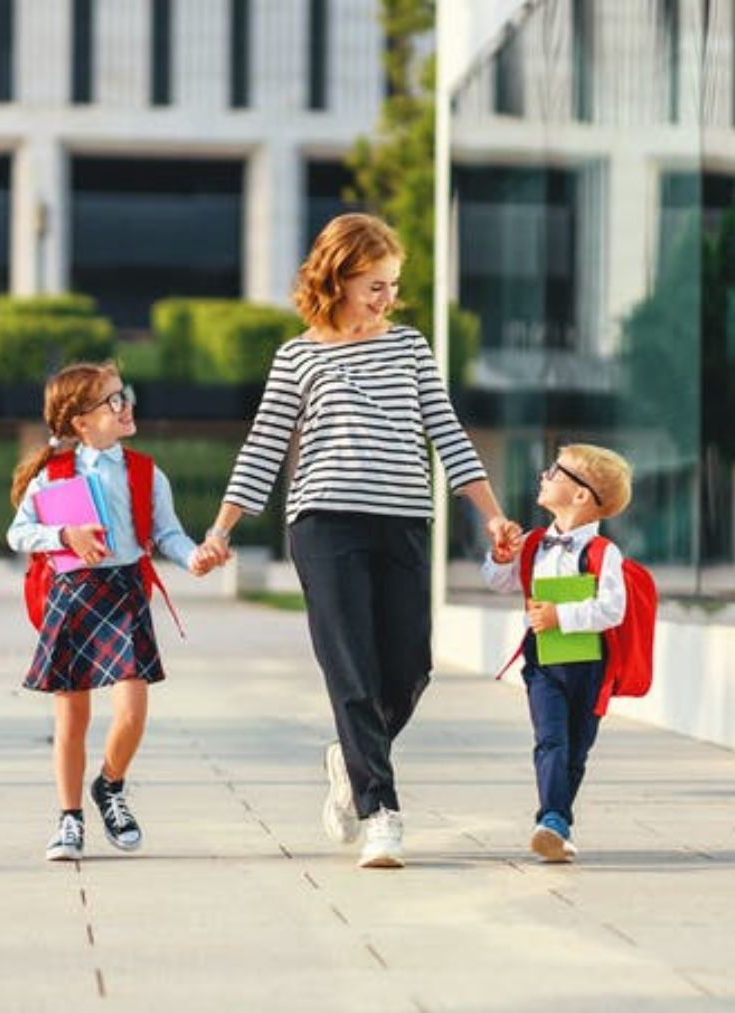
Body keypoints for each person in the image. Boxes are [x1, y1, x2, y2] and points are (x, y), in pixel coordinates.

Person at [195, 213, 519, 869]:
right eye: (375, 285)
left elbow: (448, 433)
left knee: (409, 669)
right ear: (339, 279)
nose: (387, 298)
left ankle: (348, 758)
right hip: (324, 523)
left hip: (402, 520)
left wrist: (492, 515)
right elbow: (262, 448)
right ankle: (381, 812)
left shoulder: (410, 347)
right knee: (351, 670)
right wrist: (221, 529)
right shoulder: (298, 356)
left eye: (393, 285)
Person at [6, 362, 215, 862]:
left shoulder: (145, 471)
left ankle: (111, 785)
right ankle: (69, 819)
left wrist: (194, 557)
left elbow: (166, 533)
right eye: (114, 401)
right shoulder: (53, 476)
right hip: (72, 596)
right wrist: (64, 536)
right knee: (71, 719)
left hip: (125, 595)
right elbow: (17, 534)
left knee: (132, 713)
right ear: (80, 421)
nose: (127, 407)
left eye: (126, 396)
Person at [483, 443, 633, 863]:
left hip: (590, 667)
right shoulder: (532, 544)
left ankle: (557, 823)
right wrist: (500, 557)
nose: (543, 475)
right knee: (550, 739)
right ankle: (551, 819)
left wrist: (560, 616)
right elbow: (499, 581)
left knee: (577, 748)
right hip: (543, 663)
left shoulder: (604, 554)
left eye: (555, 471)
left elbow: (613, 608)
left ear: (581, 495)